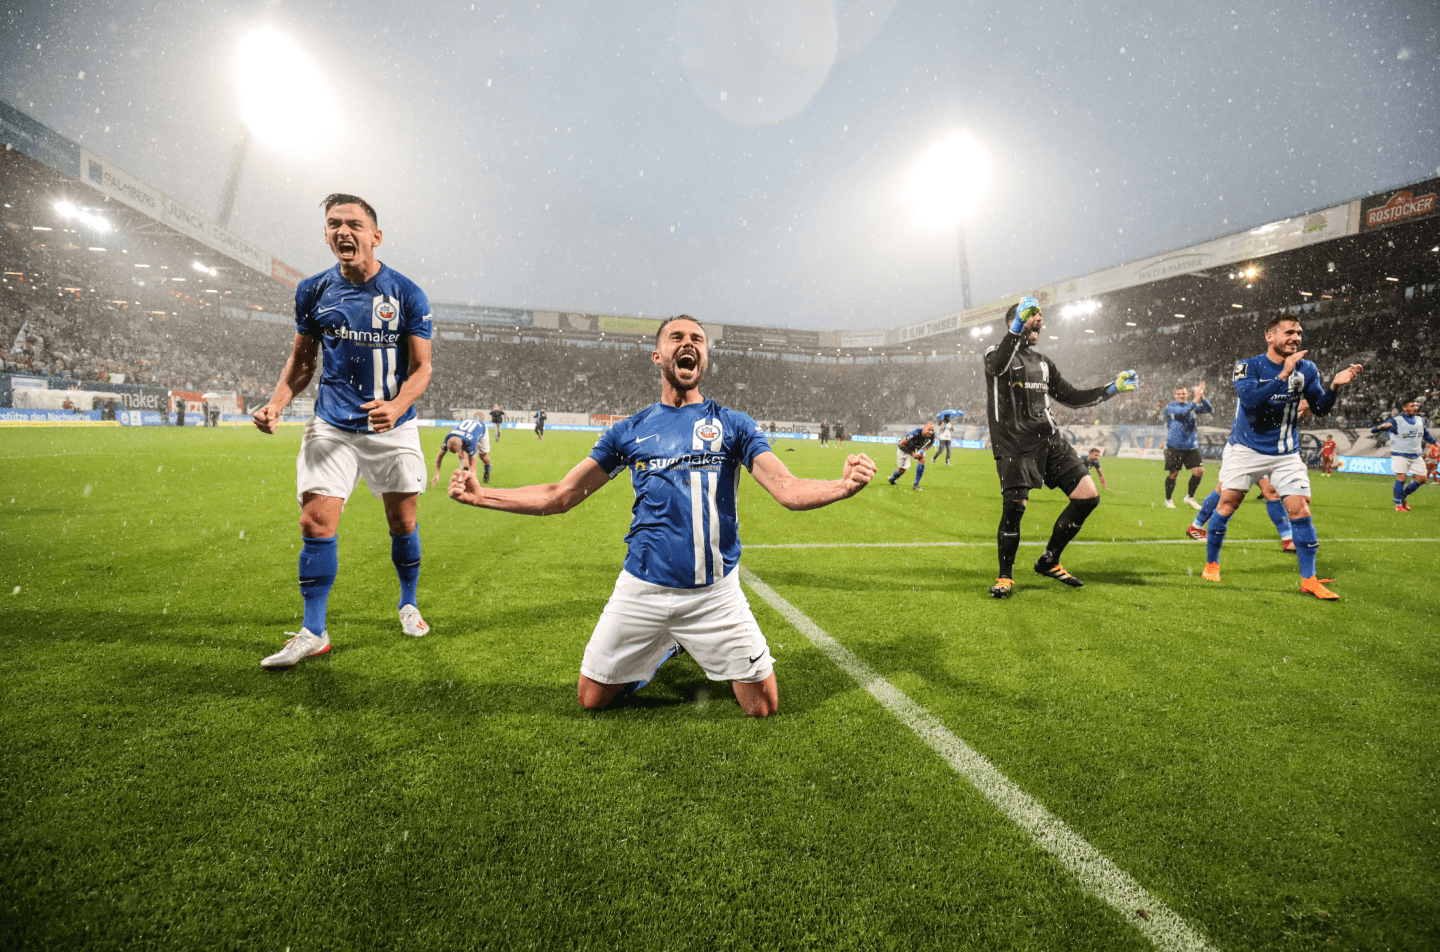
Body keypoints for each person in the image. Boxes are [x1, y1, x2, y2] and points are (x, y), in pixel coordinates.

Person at [448, 315, 876, 717]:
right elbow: (560, 494)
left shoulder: (733, 424)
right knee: (592, 699)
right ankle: (667, 644)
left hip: (714, 593)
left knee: (762, 705)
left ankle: (683, 639)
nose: (689, 344)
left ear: (704, 359)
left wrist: (842, 486)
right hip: (643, 588)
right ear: (658, 356)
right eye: (677, 338)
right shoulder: (629, 430)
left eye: (698, 341)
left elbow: (786, 488)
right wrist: (483, 495)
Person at [253, 193, 434, 668]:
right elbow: (302, 361)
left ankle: (408, 601)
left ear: (376, 236)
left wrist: (396, 406)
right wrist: (276, 404)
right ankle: (314, 631)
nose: (342, 232)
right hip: (332, 424)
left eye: (354, 224)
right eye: (334, 224)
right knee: (315, 522)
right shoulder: (313, 290)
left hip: (392, 428)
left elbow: (423, 369)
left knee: (403, 523)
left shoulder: (406, 293)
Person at [984, 296, 1139, 597]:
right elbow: (996, 366)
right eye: (1032, 314)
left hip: (1050, 440)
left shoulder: (1042, 362)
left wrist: (1111, 389)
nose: (1039, 319)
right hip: (1014, 444)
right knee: (1015, 508)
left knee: (1087, 497)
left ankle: (1049, 560)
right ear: (1013, 322)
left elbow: (1071, 396)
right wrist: (1018, 325)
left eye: (1040, 315)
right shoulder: (997, 354)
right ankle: (1005, 577)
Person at [1201, 313, 1361, 597]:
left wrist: (1335, 386)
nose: (1296, 338)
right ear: (1270, 336)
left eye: (1298, 333)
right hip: (1247, 449)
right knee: (1227, 506)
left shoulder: (1307, 367)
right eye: (1289, 332)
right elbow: (1250, 403)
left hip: (1286, 451)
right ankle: (1212, 563)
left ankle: (1309, 580)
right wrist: (1283, 375)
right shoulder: (1247, 366)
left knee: (1301, 510)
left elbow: (1320, 408)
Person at [1186, 476, 1295, 552]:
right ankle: (1196, 526)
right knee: (1224, 489)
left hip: (1260, 452)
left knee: (1271, 492)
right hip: (1241, 451)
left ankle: (1288, 539)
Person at [1371, 399, 1435, 511]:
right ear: (1404, 408)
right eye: (1412, 405)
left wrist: (1435, 443)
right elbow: (1374, 430)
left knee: (1423, 478)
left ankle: (1402, 496)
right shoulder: (1396, 420)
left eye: (1416, 405)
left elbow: (1426, 434)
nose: (1415, 407)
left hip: (1416, 454)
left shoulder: (1420, 419)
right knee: (1401, 477)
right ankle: (1398, 505)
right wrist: (1380, 427)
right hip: (1400, 454)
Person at [1162, 382, 1211, 509]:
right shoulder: (1171, 407)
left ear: (1187, 394)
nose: (1181, 396)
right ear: (1174, 395)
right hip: (1175, 445)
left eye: (1183, 393)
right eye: (1179, 394)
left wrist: (1202, 397)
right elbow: (1184, 412)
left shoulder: (1192, 405)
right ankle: (1168, 500)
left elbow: (1209, 409)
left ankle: (1189, 497)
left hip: (1191, 446)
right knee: (1173, 474)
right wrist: (1195, 399)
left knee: (1199, 471)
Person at [434, 417, 492, 487]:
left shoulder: (470, 441)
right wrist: (437, 473)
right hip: (464, 434)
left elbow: (473, 464)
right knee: (463, 458)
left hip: (481, 428)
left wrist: (473, 484)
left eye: (456, 451)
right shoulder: (448, 438)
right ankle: (464, 474)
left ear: (461, 445)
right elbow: (439, 456)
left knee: (482, 455)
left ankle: (487, 467)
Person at [888, 420, 935, 490]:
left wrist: (924, 449)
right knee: (902, 470)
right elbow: (901, 444)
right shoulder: (915, 433)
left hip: (917, 448)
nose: (931, 432)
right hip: (904, 449)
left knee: (922, 459)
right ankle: (892, 478)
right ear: (924, 428)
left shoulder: (932, 435)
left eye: (932, 430)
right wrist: (913, 454)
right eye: (929, 429)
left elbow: (931, 443)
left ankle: (916, 484)